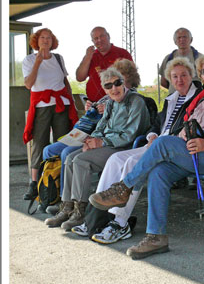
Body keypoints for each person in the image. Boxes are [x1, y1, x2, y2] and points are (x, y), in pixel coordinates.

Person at [89, 53, 204, 260]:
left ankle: (124, 188)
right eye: (203, 71)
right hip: (195, 150)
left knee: (162, 143)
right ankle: (156, 236)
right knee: (159, 171)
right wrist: (185, 134)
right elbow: (188, 121)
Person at [71, 57, 204, 242]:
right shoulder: (171, 99)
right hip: (156, 143)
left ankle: (120, 223)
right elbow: (157, 124)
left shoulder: (198, 97)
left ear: (192, 76)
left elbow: (193, 126)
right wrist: (152, 136)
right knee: (115, 159)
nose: (179, 80)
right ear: (170, 79)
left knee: (132, 162)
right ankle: (96, 218)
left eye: (184, 75)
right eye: (175, 76)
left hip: (174, 147)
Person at [44, 67, 150, 230]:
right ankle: (67, 207)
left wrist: (101, 142)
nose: (114, 89)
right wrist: (91, 139)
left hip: (123, 148)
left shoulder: (135, 102)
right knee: (71, 158)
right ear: (105, 89)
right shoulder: (110, 103)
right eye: (108, 86)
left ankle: (80, 212)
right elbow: (100, 126)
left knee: (80, 161)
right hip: (106, 143)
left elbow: (130, 134)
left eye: (117, 83)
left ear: (123, 83)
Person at [22, 28, 78, 200]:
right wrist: (38, 63)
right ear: (36, 41)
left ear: (52, 41)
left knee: (62, 141)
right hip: (42, 106)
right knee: (40, 143)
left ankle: (58, 179)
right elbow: (28, 84)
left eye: (49, 38)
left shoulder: (58, 58)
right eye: (42, 38)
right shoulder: (29, 59)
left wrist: (72, 101)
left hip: (61, 103)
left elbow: (64, 81)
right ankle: (34, 183)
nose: (46, 41)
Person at [75, 26, 133, 102]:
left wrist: (111, 75)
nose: (99, 40)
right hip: (95, 105)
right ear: (92, 41)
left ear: (108, 36)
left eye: (102, 36)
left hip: (118, 103)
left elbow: (132, 79)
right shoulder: (90, 56)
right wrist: (87, 57)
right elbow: (80, 78)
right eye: (96, 38)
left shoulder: (122, 53)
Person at [158, 27, 200, 94]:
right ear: (175, 41)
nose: (182, 40)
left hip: (196, 99)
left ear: (191, 39)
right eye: (179, 38)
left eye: (185, 37)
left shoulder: (200, 58)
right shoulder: (168, 58)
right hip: (173, 101)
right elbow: (163, 82)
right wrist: (177, 89)